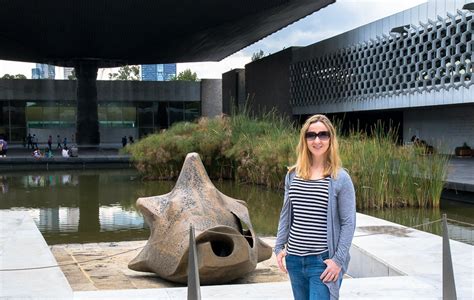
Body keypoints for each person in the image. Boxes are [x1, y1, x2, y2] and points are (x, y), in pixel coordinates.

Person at [275, 114, 356, 300]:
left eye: (323, 135)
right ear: (305, 140)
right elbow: (286, 214)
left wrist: (337, 261)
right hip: (294, 259)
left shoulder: (340, 178)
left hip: (322, 261)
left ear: (331, 139)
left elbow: (348, 223)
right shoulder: (293, 174)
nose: (317, 140)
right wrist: (279, 247)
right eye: (311, 135)